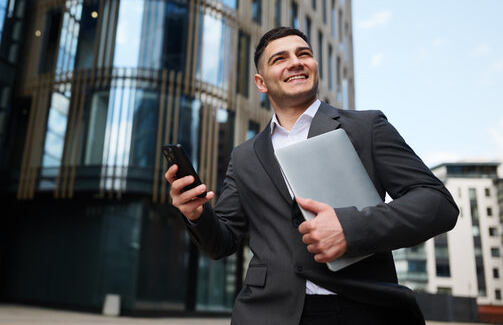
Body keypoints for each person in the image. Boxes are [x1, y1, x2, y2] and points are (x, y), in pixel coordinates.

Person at [165, 27, 458, 325]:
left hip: (360, 310)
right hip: (265, 313)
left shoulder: (367, 127)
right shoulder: (244, 156)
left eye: (303, 54)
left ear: (315, 66)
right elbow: (221, 242)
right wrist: (197, 214)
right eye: (280, 58)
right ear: (261, 82)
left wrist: (351, 227)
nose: (295, 62)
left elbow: (438, 204)